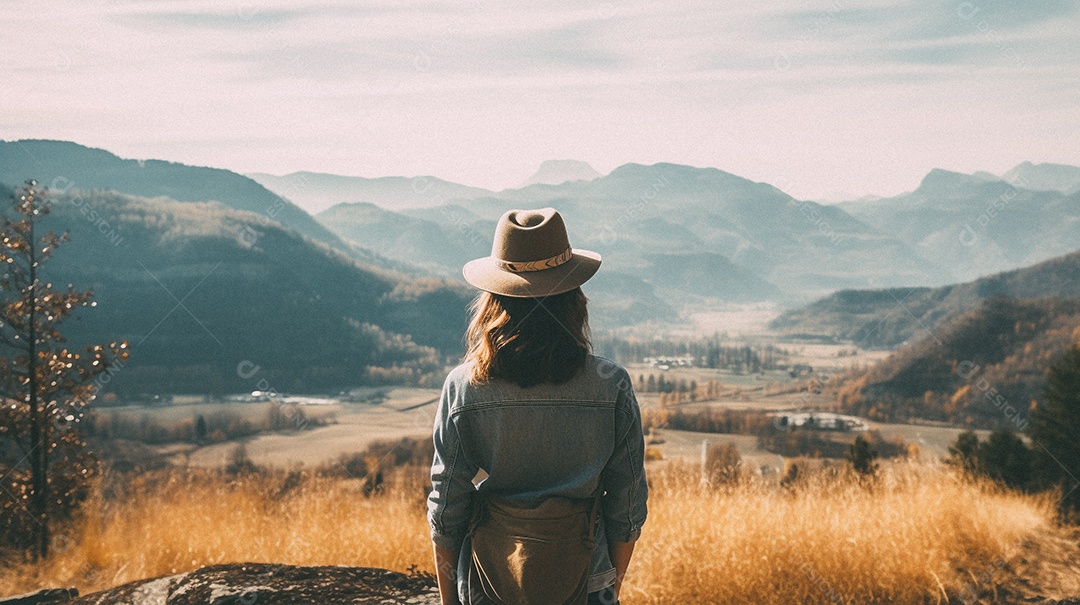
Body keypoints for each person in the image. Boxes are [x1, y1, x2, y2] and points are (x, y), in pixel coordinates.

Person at [428, 208, 649, 605]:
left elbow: (448, 506)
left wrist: (449, 598)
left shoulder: (464, 387)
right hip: (586, 577)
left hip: (488, 579)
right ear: (573, 299)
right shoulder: (611, 384)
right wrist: (606, 584)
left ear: (492, 302)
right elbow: (626, 506)